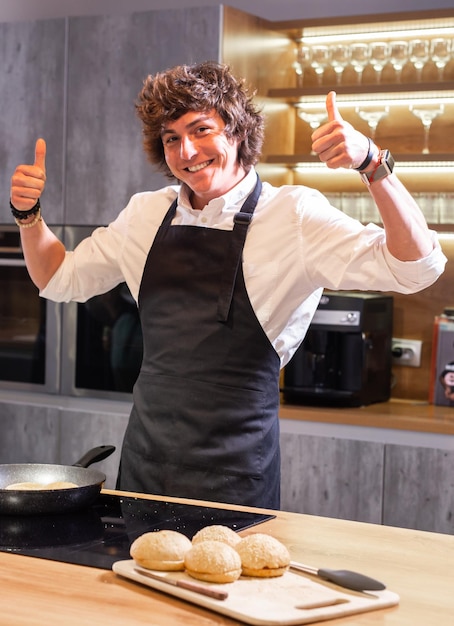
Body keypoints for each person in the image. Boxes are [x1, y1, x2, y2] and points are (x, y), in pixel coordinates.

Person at [10, 61, 446, 510]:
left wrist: (373, 164)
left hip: (235, 477)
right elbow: (58, 277)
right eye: (172, 138)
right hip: (145, 464)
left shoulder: (292, 215)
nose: (187, 151)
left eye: (201, 130)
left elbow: (416, 267)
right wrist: (28, 216)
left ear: (237, 131)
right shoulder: (146, 214)